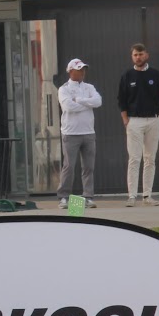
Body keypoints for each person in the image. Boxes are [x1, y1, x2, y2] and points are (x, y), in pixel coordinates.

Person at [117, 43, 159, 206]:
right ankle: (131, 196)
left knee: (150, 158)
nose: (138, 57)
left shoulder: (156, 75)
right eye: (135, 55)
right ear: (132, 57)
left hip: (153, 120)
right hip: (134, 120)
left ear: (147, 55)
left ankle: (147, 195)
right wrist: (125, 120)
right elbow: (121, 100)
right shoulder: (127, 76)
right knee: (134, 158)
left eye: (141, 54)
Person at [57, 57, 101, 210]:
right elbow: (69, 107)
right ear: (70, 71)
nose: (82, 72)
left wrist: (80, 100)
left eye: (83, 69)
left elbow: (98, 101)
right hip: (70, 133)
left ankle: (88, 196)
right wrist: (88, 104)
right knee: (69, 166)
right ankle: (64, 197)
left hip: (88, 132)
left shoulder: (89, 87)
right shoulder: (64, 89)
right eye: (79, 69)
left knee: (88, 167)